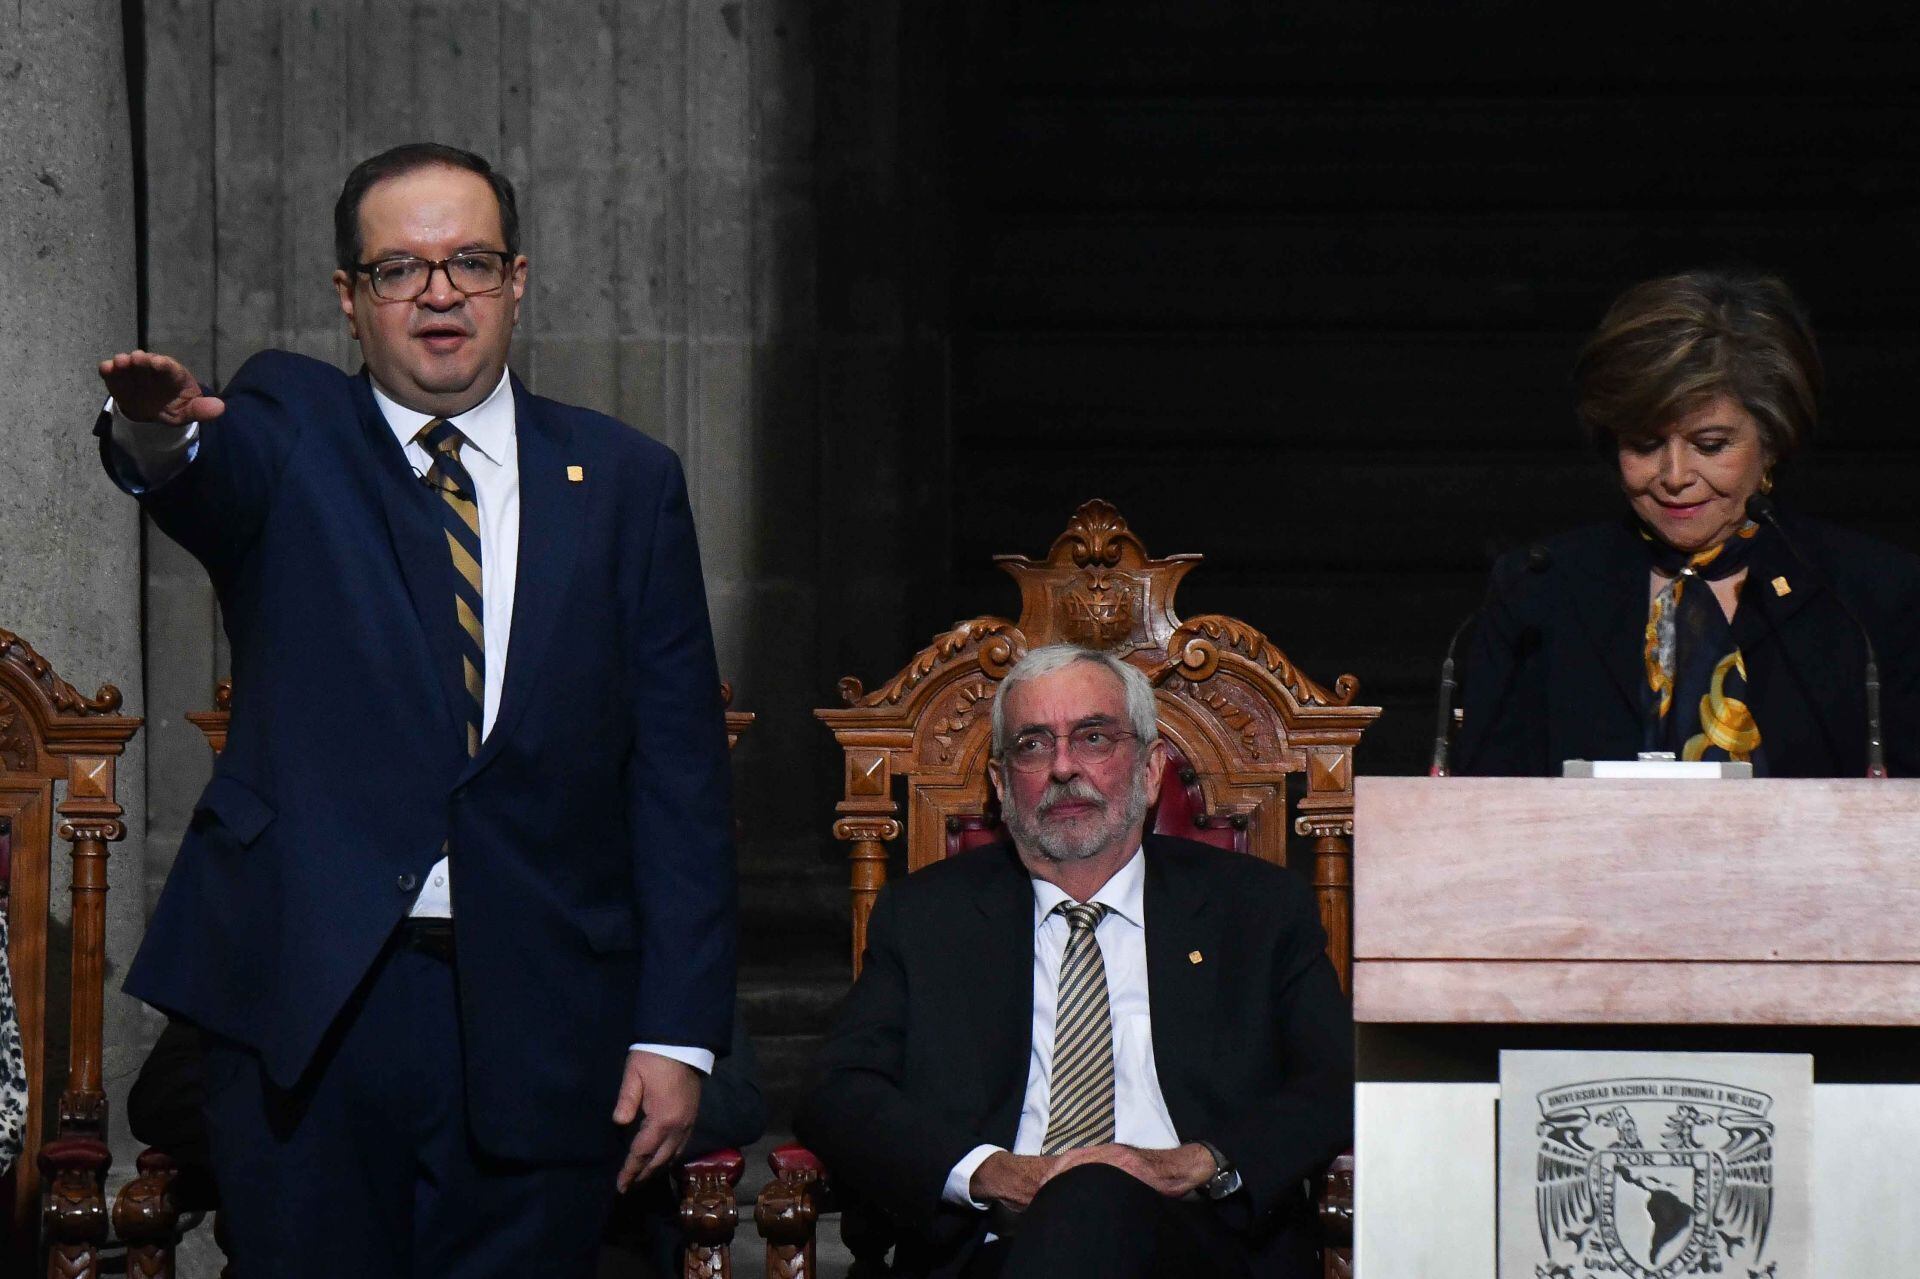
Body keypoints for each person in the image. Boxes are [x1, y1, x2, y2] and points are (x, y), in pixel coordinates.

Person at [93, 142, 736, 1276]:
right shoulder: (289, 428)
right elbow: (199, 469)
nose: (440, 293)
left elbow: (677, 775)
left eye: (470, 262)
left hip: (543, 1007)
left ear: (518, 279)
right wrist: (160, 431)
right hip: (315, 1005)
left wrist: (676, 1030)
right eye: (400, 269)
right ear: (351, 298)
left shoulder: (627, 479)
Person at [795, 644, 1353, 1279]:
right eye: (1033, 745)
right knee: (1082, 1202)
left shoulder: (1256, 908)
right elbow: (837, 1092)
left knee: (1093, 1195)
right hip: (992, 1250)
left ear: (1149, 771)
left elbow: (1335, 1081)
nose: (1063, 767)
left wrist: (1194, 1162)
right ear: (1002, 786)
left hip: (1203, 1244)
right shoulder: (927, 917)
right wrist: (990, 1172)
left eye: (1093, 738)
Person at [1456, 269, 1920, 777]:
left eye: (1710, 445)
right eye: (1645, 445)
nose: (1674, 477)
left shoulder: (1873, 598)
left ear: (1771, 442)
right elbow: (1479, 801)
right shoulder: (1537, 591)